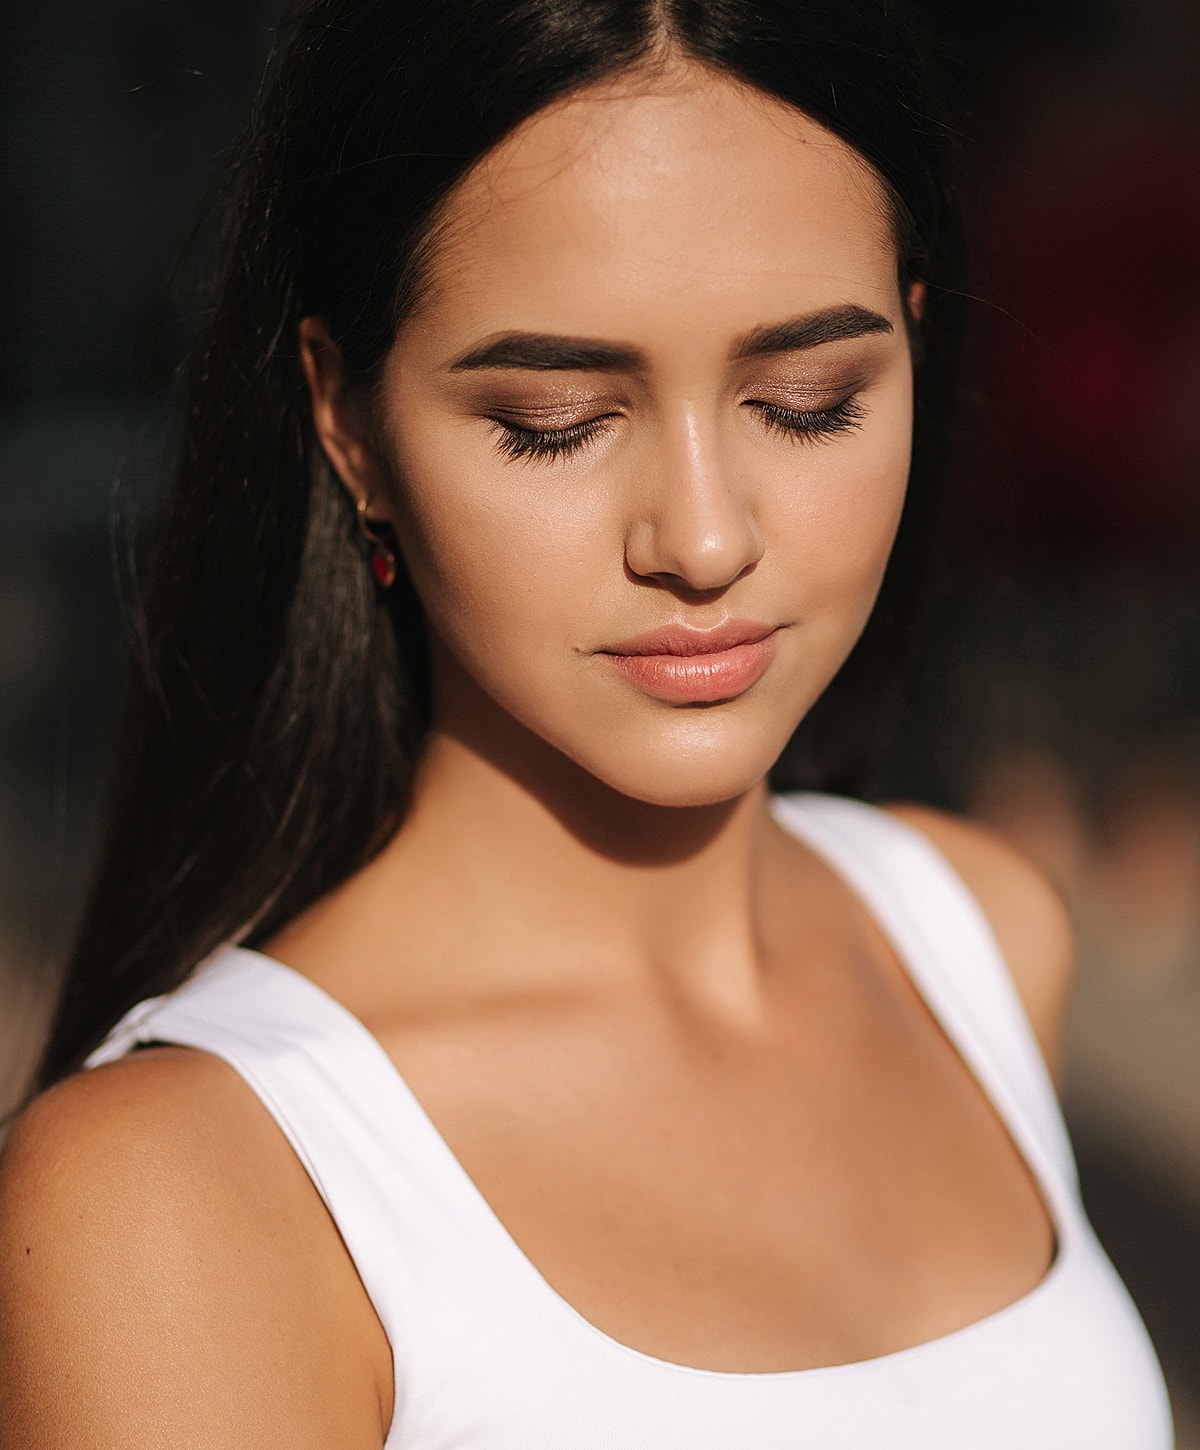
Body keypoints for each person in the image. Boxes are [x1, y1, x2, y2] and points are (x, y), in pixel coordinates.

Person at [0, 0, 1174, 1444]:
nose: (702, 538)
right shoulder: (187, 1191)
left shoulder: (976, 937)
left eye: (807, 401)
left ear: (915, 350)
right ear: (343, 417)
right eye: (556, 420)